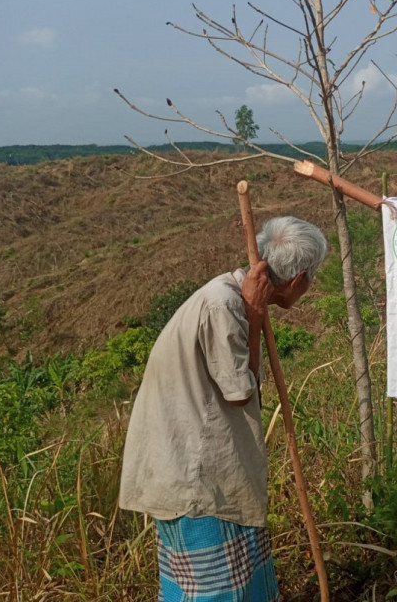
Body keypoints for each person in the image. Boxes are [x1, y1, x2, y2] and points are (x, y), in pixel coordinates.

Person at [119, 216, 328, 601]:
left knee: (242, 583)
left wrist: (253, 311)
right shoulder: (226, 305)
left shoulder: (230, 298)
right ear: (299, 279)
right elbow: (239, 391)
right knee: (214, 593)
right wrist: (252, 312)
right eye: (311, 280)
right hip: (198, 481)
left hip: (206, 471)